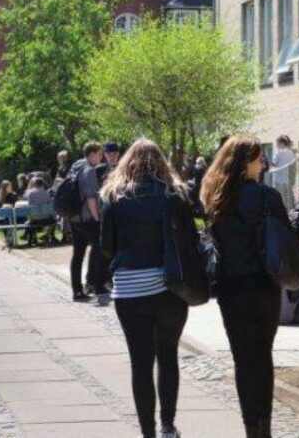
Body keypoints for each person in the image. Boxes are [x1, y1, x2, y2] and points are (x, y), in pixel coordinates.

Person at [202, 135, 299, 438]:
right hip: (264, 290)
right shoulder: (267, 197)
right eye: (258, 158)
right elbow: (288, 240)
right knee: (262, 357)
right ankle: (263, 429)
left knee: (242, 360)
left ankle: (250, 428)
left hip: (231, 290)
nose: (263, 162)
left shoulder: (216, 199)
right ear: (244, 163)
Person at [100, 138, 198, 438]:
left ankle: (148, 432)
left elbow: (106, 246)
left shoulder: (114, 197)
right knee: (168, 357)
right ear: (161, 163)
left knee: (140, 363)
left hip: (130, 290)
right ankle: (168, 425)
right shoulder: (174, 194)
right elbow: (190, 239)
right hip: (169, 287)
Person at [68, 141, 107, 303]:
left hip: (74, 217)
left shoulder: (76, 165)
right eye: (100, 153)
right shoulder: (89, 170)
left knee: (78, 254)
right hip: (87, 218)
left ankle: (77, 290)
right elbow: (91, 197)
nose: (102, 157)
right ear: (92, 154)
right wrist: (97, 218)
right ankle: (95, 284)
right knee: (100, 248)